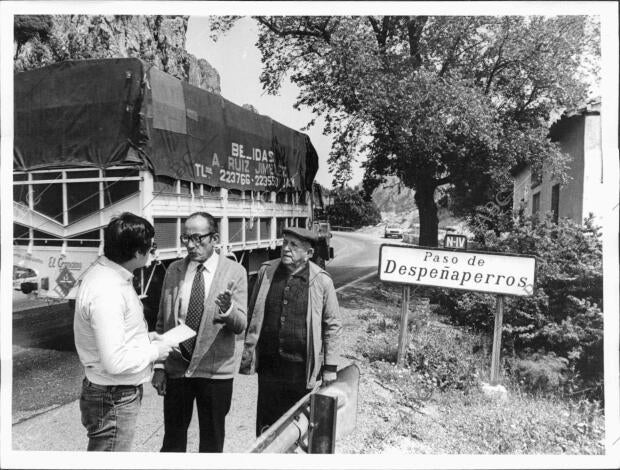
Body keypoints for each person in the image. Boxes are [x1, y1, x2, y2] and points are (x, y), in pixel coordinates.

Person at [74, 212, 172, 452]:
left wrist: (146, 338)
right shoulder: (108, 290)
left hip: (110, 393)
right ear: (138, 253)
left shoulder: (108, 275)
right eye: (151, 247)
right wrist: (155, 350)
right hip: (113, 398)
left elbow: (116, 335)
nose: (153, 252)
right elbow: (115, 362)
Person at [152, 211, 248, 453]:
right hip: (178, 369)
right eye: (186, 238)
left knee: (212, 443)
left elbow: (241, 324)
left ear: (214, 238)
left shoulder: (235, 272)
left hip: (215, 373)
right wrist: (160, 367)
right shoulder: (174, 270)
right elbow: (163, 322)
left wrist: (227, 312)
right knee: (172, 441)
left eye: (198, 238)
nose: (191, 245)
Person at [240, 226, 342, 437]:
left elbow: (332, 325)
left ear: (309, 253)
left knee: (296, 425)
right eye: (284, 243)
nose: (286, 249)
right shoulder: (266, 271)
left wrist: (330, 367)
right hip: (269, 367)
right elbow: (253, 313)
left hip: (300, 368)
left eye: (294, 245)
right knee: (266, 424)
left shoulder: (321, 281)